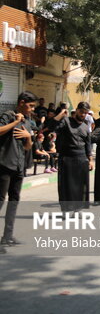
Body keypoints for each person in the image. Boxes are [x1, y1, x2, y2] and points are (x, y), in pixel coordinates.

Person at [0, 91, 36, 251]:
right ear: (22, 102)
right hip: (4, 164)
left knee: (14, 201)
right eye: (30, 106)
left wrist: (28, 137)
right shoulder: (8, 115)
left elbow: (28, 147)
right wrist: (15, 123)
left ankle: (7, 236)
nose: (32, 109)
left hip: (19, 165)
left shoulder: (27, 121)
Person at [47, 102, 94, 214]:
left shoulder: (85, 126)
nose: (83, 114)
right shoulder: (66, 121)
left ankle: (78, 208)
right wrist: (61, 114)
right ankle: (66, 210)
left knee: (80, 185)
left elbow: (88, 144)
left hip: (82, 158)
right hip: (67, 158)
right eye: (81, 111)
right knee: (66, 185)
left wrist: (90, 160)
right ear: (77, 110)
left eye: (85, 112)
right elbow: (51, 127)